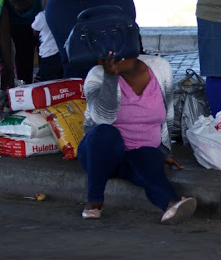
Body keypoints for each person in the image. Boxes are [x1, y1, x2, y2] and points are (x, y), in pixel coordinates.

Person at [78, 51, 195, 224]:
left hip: (139, 152)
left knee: (149, 158)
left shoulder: (160, 68)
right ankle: (94, 201)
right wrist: (110, 77)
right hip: (100, 153)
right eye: (106, 59)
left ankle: (171, 205)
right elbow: (103, 117)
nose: (111, 62)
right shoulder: (97, 75)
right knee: (105, 132)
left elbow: (168, 113)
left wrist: (165, 150)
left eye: (115, 57)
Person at [31, 0, 62, 82]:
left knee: (47, 82)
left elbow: (35, 30)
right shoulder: (64, 14)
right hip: (62, 54)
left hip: (47, 56)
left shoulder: (42, 16)